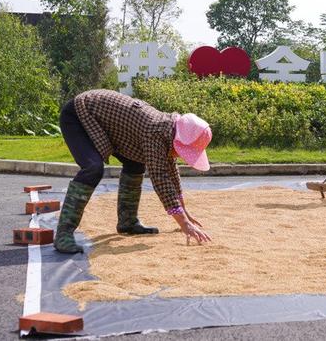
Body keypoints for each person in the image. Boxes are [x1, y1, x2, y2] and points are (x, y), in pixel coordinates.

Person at [55, 89, 213, 253]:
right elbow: (161, 179)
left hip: (109, 127)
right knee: (93, 168)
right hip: (79, 116)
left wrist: (185, 213)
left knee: (135, 164)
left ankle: (127, 222)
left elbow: (171, 172)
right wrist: (184, 223)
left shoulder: (169, 132)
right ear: (180, 140)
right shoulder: (156, 133)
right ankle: (63, 234)